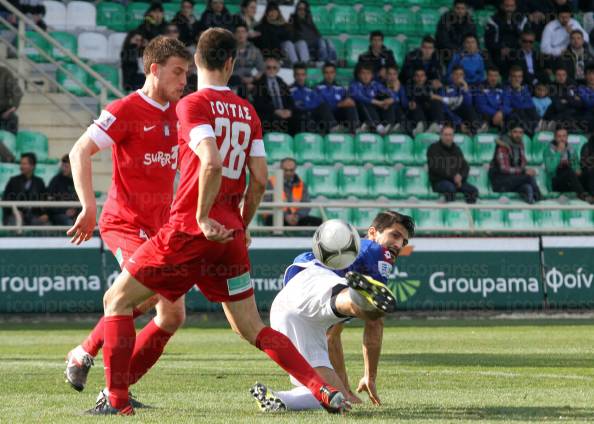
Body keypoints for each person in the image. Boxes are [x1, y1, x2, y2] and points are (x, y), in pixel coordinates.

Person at [89, 28, 348, 415]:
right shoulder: (247, 111)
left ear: (196, 61)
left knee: (117, 300)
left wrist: (201, 216)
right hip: (230, 235)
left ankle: (117, 402)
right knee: (253, 328)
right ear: (231, 63)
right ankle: (321, 388)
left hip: (189, 230)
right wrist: (241, 225)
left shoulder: (191, 104)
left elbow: (209, 161)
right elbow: (259, 178)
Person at [64, 37, 192, 403]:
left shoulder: (179, 112)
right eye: (178, 72)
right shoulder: (125, 109)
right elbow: (80, 150)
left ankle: (100, 372)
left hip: (161, 227)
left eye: (187, 73)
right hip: (125, 223)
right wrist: (88, 206)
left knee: (172, 316)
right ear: (154, 69)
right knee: (140, 296)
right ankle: (109, 383)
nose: (184, 81)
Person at [250, 210, 415, 412]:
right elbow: (375, 322)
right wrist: (370, 376)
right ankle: (357, 296)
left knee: (332, 396)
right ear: (372, 232)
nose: (398, 245)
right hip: (313, 283)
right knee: (367, 307)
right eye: (395, 235)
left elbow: (332, 338)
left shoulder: (353, 254)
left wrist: (346, 390)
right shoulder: (376, 250)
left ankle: (278, 399)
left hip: (287, 310)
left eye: (404, 242)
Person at [489, 121, 541, 203]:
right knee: (528, 178)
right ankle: (540, 199)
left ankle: (531, 202)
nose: (518, 135)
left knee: (527, 186)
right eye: (515, 132)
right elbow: (504, 169)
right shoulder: (503, 146)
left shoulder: (520, 145)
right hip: (500, 181)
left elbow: (523, 163)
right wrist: (524, 171)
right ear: (510, 133)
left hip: (513, 180)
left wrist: (527, 170)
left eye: (520, 132)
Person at [427, 124, 478, 203]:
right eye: (446, 135)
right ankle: (451, 214)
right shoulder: (433, 149)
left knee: (473, 191)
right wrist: (454, 177)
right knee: (450, 188)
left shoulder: (456, 149)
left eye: (450, 135)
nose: (448, 137)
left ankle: (468, 213)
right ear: (441, 136)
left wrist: (460, 177)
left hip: (457, 182)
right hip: (439, 181)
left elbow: (465, 166)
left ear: (453, 137)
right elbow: (436, 168)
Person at [265, 157, 322, 227]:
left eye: (291, 170)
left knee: (319, 222)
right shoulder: (270, 183)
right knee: (271, 219)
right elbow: (268, 202)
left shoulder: (302, 185)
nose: (288, 173)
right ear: (281, 169)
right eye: (285, 170)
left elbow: (306, 205)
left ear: (295, 170)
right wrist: (285, 216)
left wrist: (297, 216)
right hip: (278, 216)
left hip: (297, 217)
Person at [543, 127, 591, 201]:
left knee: (589, 172)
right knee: (568, 170)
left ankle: (591, 194)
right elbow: (550, 169)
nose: (562, 139)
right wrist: (558, 152)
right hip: (556, 182)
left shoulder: (571, 149)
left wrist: (577, 169)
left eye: (564, 136)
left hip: (570, 180)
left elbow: (576, 165)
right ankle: (583, 195)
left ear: (567, 137)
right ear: (555, 138)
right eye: (559, 136)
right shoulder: (548, 150)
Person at [2, 152, 48, 225]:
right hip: (14, 215)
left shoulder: (39, 182)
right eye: (21, 163)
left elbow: (44, 200)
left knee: (43, 225)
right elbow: (5, 200)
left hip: (34, 216)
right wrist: (15, 212)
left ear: (32, 166)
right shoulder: (13, 181)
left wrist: (45, 214)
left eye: (24, 164)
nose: (21, 166)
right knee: (16, 223)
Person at [290, 63, 338, 134]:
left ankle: (334, 128)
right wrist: (307, 104)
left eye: (303, 75)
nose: (300, 78)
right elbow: (295, 106)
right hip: (298, 117)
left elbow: (318, 102)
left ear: (306, 76)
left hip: (311, 114)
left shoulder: (310, 90)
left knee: (323, 106)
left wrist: (306, 104)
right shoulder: (290, 90)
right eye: (298, 75)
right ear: (294, 76)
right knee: (305, 116)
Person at [349, 63, 396, 135]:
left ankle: (387, 125)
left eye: (368, 73)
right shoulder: (354, 84)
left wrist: (391, 99)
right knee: (363, 102)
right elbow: (358, 96)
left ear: (372, 75)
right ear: (358, 75)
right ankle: (378, 127)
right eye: (363, 73)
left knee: (386, 98)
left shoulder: (375, 84)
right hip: (361, 114)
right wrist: (377, 102)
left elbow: (391, 93)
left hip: (374, 113)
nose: (366, 76)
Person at [485, 0, 528, 76]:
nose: (509, 9)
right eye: (507, 6)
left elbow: (524, 38)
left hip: (516, 50)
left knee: (520, 57)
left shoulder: (521, 19)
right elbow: (489, 41)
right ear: (502, 6)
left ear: (515, 7)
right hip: (498, 51)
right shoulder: (493, 20)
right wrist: (500, 48)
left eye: (511, 6)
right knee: (498, 58)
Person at [436, 65, 483, 135]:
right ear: (452, 75)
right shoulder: (445, 88)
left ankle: (476, 129)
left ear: (464, 76)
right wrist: (459, 121)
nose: (458, 77)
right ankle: (466, 130)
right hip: (451, 115)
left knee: (470, 108)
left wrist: (465, 88)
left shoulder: (465, 87)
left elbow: (468, 104)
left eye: (461, 74)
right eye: (456, 74)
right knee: (446, 114)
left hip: (462, 114)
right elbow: (445, 108)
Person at [253, 55, 295, 134]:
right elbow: (259, 104)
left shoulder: (281, 81)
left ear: (278, 69)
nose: (271, 70)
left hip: (284, 112)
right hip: (269, 114)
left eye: (274, 67)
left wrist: (289, 110)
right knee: (276, 119)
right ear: (264, 69)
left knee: (299, 117)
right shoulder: (259, 83)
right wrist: (275, 111)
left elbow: (290, 99)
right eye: (269, 67)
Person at [316, 62, 360, 133]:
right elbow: (320, 106)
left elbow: (347, 102)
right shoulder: (317, 88)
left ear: (335, 73)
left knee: (350, 105)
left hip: (339, 118)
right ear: (323, 74)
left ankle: (355, 129)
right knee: (322, 105)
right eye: (326, 73)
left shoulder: (341, 88)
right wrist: (338, 104)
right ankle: (334, 127)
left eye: (331, 72)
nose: (329, 75)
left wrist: (347, 102)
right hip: (325, 119)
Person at [405, 67, 445, 135]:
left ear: (425, 77)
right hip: (416, 118)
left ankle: (436, 125)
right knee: (414, 105)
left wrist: (441, 88)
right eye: (417, 76)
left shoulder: (430, 87)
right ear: (414, 78)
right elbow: (420, 95)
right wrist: (432, 96)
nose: (420, 78)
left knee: (437, 103)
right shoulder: (409, 88)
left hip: (430, 117)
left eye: (422, 75)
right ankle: (420, 128)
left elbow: (442, 100)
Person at [544, 67, 583, 132]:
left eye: (563, 75)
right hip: (557, 115)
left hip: (572, 113)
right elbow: (557, 106)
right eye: (558, 75)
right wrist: (572, 99)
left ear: (566, 76)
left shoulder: (572, 85)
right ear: (554, 76)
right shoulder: (551, 87)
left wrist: (566, 100)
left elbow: (579, 103)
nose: (561, 77)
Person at [230, 23, 264, 97]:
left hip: (251, 79)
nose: (240, 34)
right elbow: (226, 70)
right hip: (234, 80)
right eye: (238, 32)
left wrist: (252, 79)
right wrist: (241, 78)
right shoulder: (229, 50)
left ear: (247, 34)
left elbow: (260, 69)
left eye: (243, 32)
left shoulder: (255, 50)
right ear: (234, 35)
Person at [506, 66, 539, 135]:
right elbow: (513, 104)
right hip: (512, 117)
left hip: (525, 116)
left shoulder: (525, 89)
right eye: (514, 76)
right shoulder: (506, 89)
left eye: (519, 77)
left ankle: (539, 125)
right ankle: (533, 130)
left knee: (531, 110)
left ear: (522, 78)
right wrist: (517, 92)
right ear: (510, 78)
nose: (517, 79)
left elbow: (531, 104)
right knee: (519, 111)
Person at [476, 67, 511, 132]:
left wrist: (501, 113)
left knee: (513, 115)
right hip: (488, 116)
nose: (493, 78)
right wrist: (496, 113)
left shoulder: (503, 87)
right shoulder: (480, 87)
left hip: (501, 115)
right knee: (484, 115)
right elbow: (481, 107)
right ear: (487, 76)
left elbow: (507, 104)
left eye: (495, 76)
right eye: (491, 75)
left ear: (498, 77)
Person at [47, 154, 79, 226]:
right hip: (58, 215)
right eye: (62, 166)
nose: (63, 169)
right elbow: (50, 202)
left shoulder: (78, 181)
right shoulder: (55, 181)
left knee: (92, 224)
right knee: (69, 223)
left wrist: (75, 210)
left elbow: (81, 201)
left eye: (66, 167)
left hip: (76, 214)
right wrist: (64, 211)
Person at [385, 65, 408, 134]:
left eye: (394, 74)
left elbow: (405, 104)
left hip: (398, 111)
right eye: (390, 74)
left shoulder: (401, 87)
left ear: (397, 75)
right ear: (386, 75)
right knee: (391, 106)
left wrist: (399, 91)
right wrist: (395, 91)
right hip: (385, 112)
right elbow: (385, 103)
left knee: (400, 111)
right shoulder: (381, 85)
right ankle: (390, 128)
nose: (392, 77)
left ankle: (400, 127)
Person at [0, 65, 23, 134]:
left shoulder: (4, 73)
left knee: (12, 118)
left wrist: (12, 109)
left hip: (2, 112)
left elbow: (17, 92)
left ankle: (9, 142)